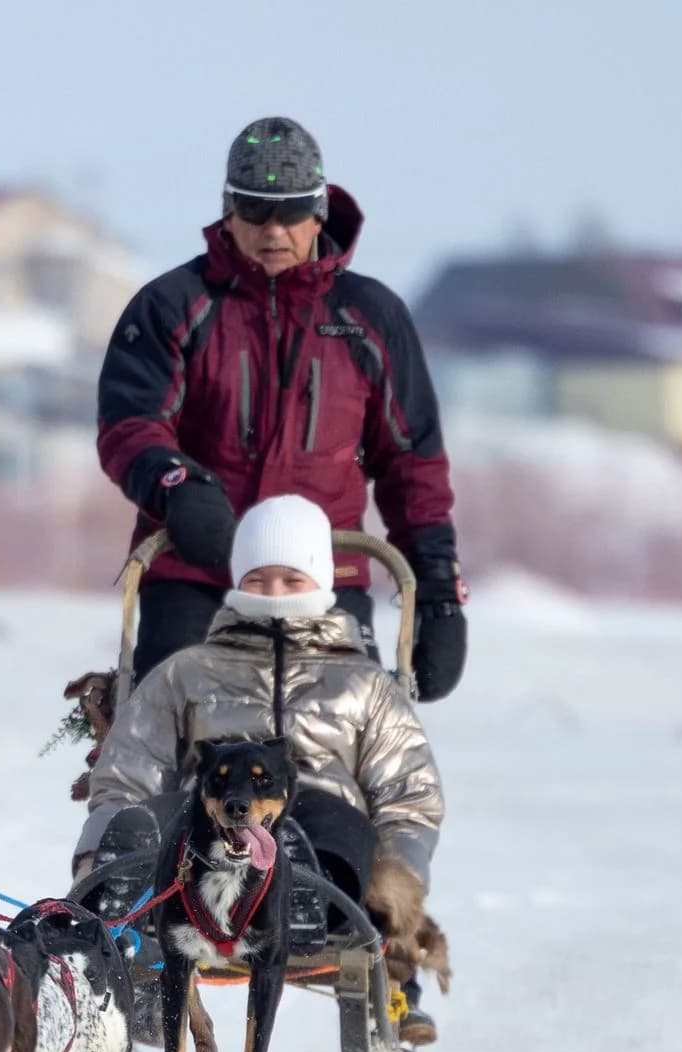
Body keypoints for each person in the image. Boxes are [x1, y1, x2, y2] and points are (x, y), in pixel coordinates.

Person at [96, 116, 467, 702]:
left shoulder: (370, 317)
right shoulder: (172, 306)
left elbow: (412, 464)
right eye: (254, 210)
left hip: (326, 577)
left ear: (318, 212)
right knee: (165, 737)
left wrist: (440, 593)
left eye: (291, 211)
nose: (274, 229)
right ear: (228, 211)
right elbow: (130, 424)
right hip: (197, 573)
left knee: (358, 745)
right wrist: (177, 484)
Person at [80, 495, 446, 1045]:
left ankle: (301, 889)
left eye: (290, 580)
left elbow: (408, 792)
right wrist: (108, 837)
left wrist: (401, 880)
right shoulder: (188, 672)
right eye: (259, 578)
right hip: (206, 833)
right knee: (164, 815)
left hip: (319, 822)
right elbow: (130, 766)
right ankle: (130, 900)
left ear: (320, 581)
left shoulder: (364, 684)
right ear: (236, 581)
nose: (273, 594)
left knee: (328, 822)